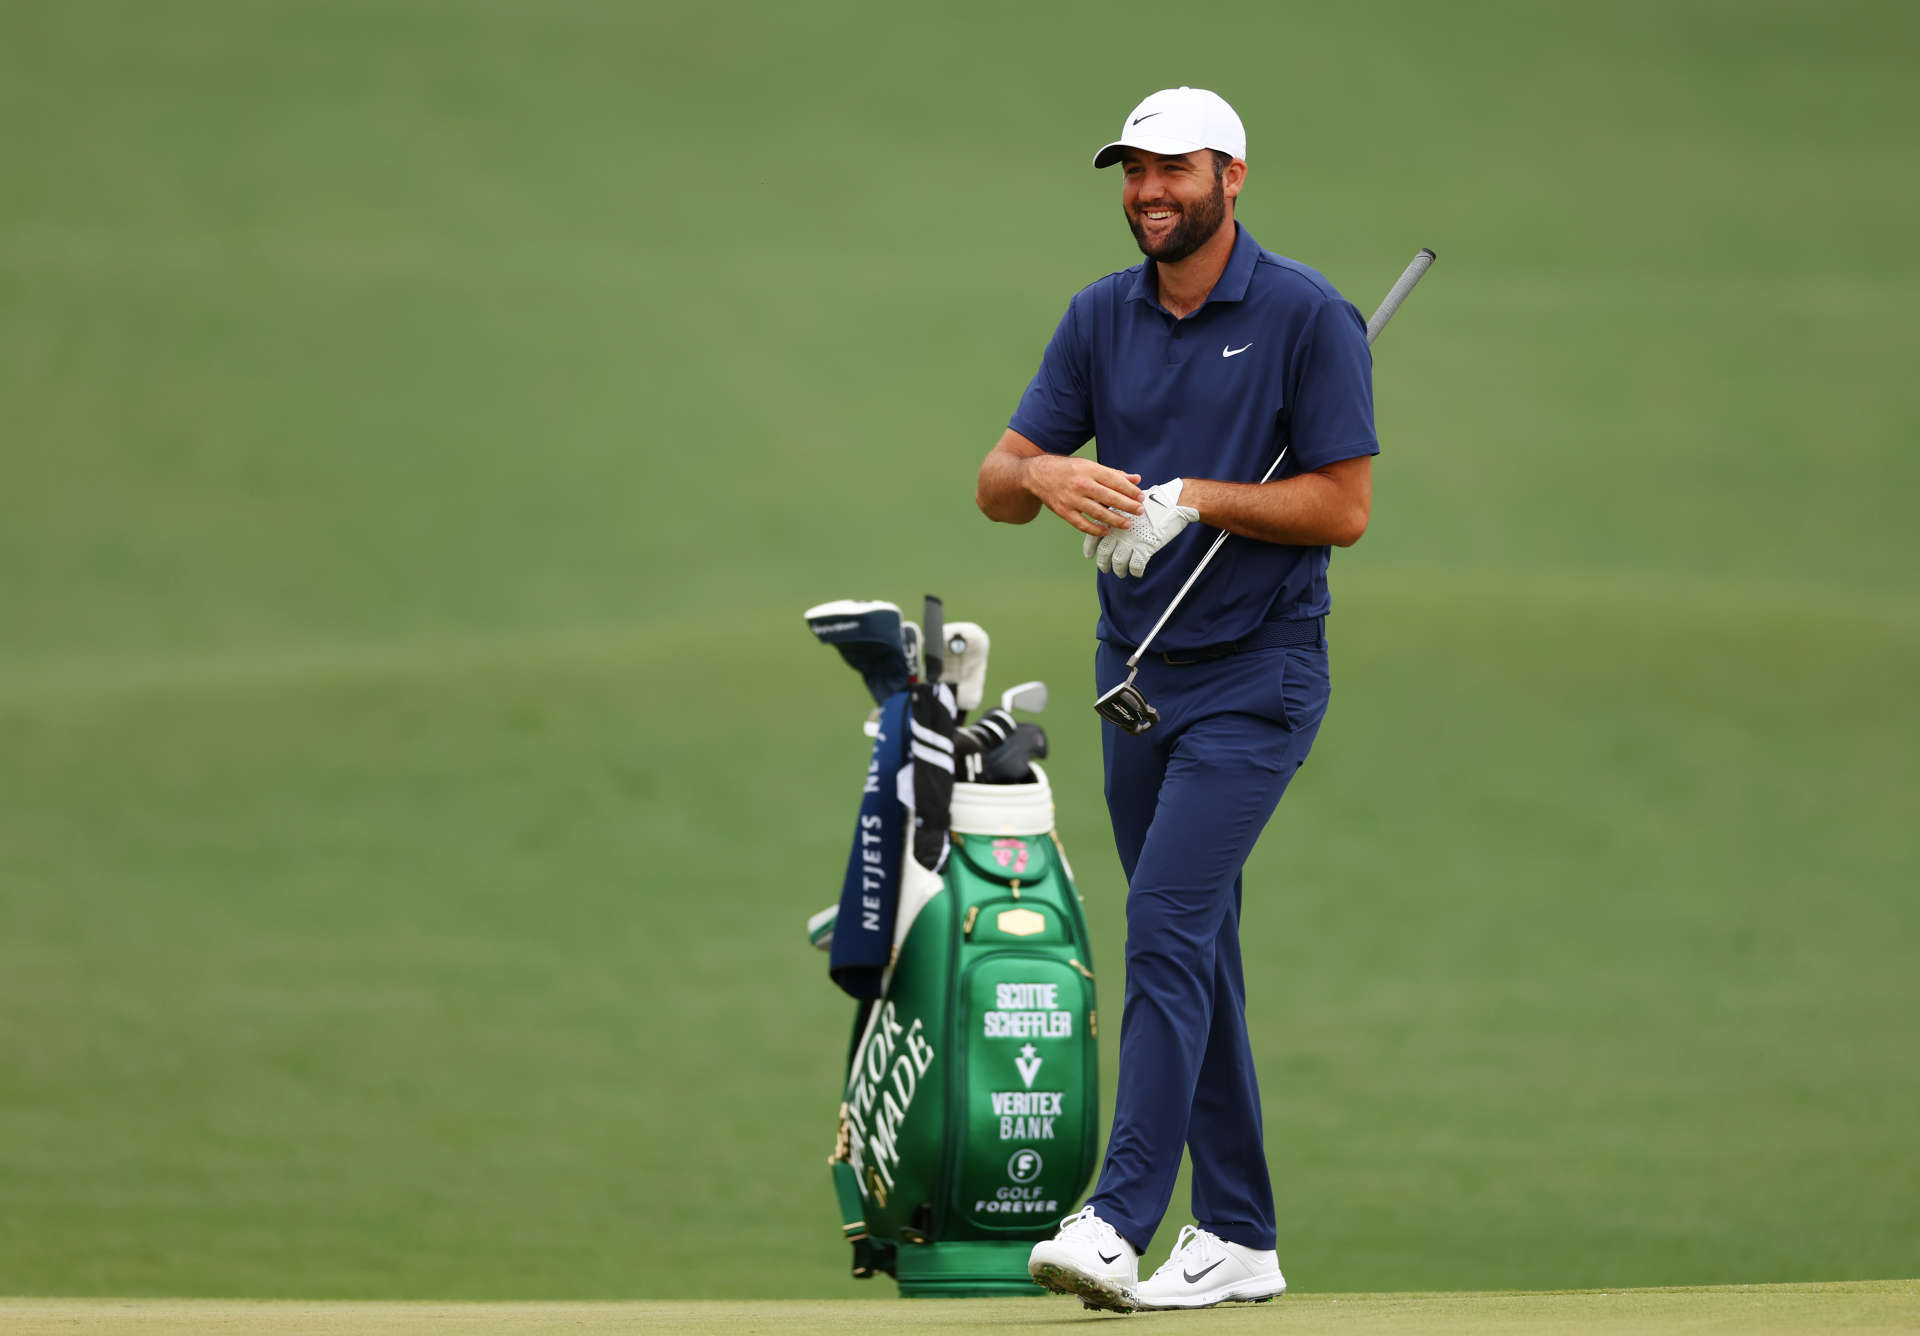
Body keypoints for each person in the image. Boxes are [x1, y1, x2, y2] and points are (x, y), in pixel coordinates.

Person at [973, 86, 1378, 1312]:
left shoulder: (1309, 317)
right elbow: (994, 478)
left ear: (1233, 176)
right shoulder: (1102, 317)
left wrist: (1194, 497)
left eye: (1175, 169)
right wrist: (1054, 477)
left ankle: (1117, 1217)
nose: (1151, 190)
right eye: (1134, 172)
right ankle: (1242, 1235)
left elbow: (1341, 508)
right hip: (1138, 678)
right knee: (1199, 945)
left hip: (1261, 679)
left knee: (1164, 922)